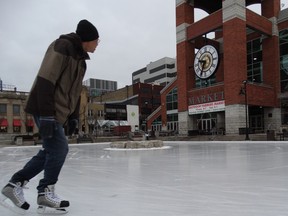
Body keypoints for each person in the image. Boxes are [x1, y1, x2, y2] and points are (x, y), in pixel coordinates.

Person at [1, 19, 99, 213]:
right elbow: (46, 78)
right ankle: (45, 192)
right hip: (46, 109)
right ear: (87, 39)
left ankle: (14, 185)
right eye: (96, 40)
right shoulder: (62, 46)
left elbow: (75, 92)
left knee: (49, 151)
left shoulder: (81, 62)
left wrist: (74, 117)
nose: (98, 44)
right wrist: (46, 115)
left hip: (59, 112)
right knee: (59, 150)